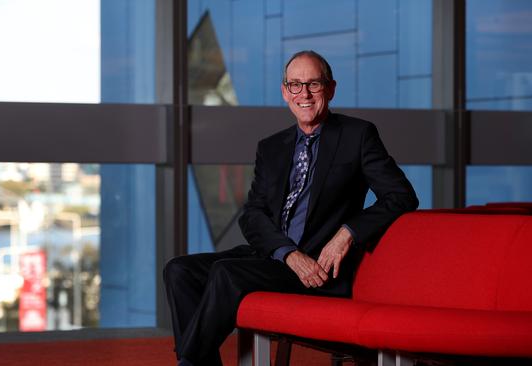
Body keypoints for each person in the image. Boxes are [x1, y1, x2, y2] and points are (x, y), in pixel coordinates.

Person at [164, 50, 419, 366]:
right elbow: (253, 214)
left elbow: (401, 195)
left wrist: (347, 233)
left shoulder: (357, 135)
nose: (305, 94)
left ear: (331, 88)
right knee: (179, 269)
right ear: (285, 91)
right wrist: (286, 253)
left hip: (318, 270)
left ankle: (187, 362)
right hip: (277, 257)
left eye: (313, 84)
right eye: (295, 85)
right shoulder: (271, 147)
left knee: (226, 272)